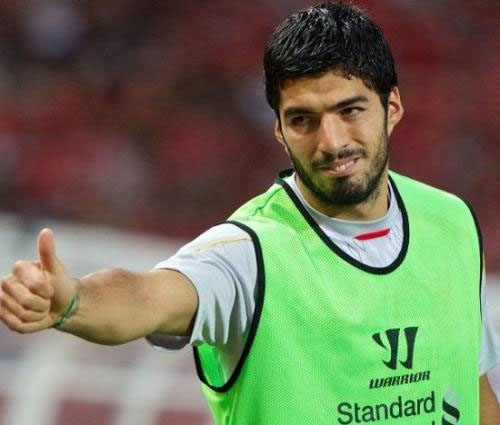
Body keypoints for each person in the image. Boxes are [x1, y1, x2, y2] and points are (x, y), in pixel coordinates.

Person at [1, 1, 499, 424]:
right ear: (280, 131)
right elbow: (148, 296)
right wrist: (73, 302)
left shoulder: (452, 222)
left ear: (391, 108)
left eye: (350, 111)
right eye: (303, 120)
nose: (331, 142)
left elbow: (472, 390)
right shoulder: (249, 253)